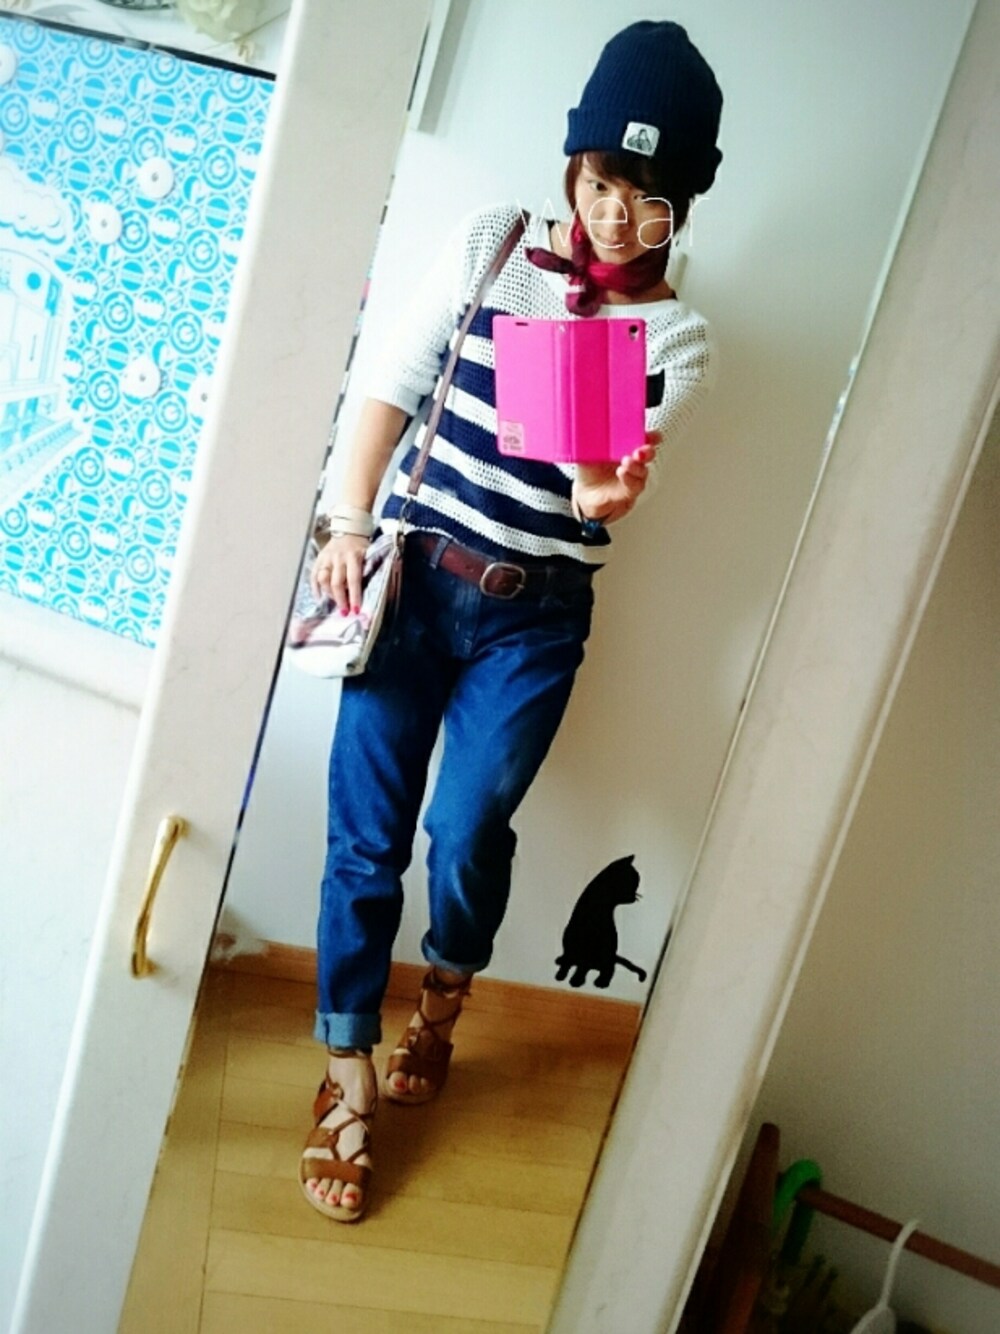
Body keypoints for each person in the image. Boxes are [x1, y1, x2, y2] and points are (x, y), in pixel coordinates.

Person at [299, 19, 724, 1222]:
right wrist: (344, 521)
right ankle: (346, 1068)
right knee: (363, 838)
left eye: (649, 197)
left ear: (683, 206)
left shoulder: (676, 335)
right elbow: (390, 381)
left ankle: (442, 995)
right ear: (573, 167)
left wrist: (606, 487)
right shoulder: (492, 243)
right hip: (408, 582)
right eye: (602, 183)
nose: (615, 217)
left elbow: (604, 483)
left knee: (466, 827)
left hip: (531, 620)